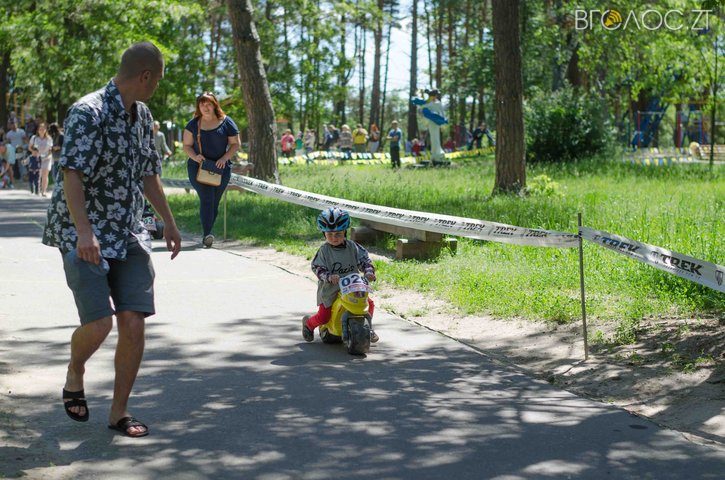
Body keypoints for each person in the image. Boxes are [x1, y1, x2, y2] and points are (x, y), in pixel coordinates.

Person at [42, 42, 182, 439]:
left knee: (133, 322)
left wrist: (169, 223)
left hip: (129, 230)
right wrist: (85, 232)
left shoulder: (143, 115)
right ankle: (76, 369)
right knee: (100, 322)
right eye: (157, 80)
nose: (157, 86)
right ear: (145, 76)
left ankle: (119, 411)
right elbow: (72, 173)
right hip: (82, 231)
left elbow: (149, 174)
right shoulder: (88, 112)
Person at [302, 207, 379, 343]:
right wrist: (328, 276)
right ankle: (309, 324)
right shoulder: (324, 251)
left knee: (369, 304)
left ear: (345, 232)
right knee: (324, 316)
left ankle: (368, 327)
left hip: (352, 286)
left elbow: (365, 260)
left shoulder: (353, 247)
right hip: (331, 288)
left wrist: (368, 271)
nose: (334, 238)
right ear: (324, 234)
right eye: (329, 234)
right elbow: (317, 267)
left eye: (338, 234)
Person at [183, 91, 241, 248]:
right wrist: (195, 157)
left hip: (221, 168)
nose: (205, 107)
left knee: (214, 201)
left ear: (215, 105)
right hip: (198, 167)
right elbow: (186, 146)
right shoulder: (193, 124)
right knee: (207, 197)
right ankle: (207, 234)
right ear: (198, 107)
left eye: (208, 104)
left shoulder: (227, 122)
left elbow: (235, 144)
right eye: (202, 104)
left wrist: (224, 158)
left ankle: (207, 232)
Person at [29, 122, 54, 196]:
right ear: (38, 130)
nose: (42, 130)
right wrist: (34, 152)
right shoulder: (34, 138)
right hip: (37, 159)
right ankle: (38, 190)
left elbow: (50, 150)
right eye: (40, 129)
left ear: (46, 130)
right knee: (38, 175)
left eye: (43, 129)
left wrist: (47, 156)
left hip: (47, 158)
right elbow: (29, 147)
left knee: (45, 175)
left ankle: (44, 191)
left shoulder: (49, 138)